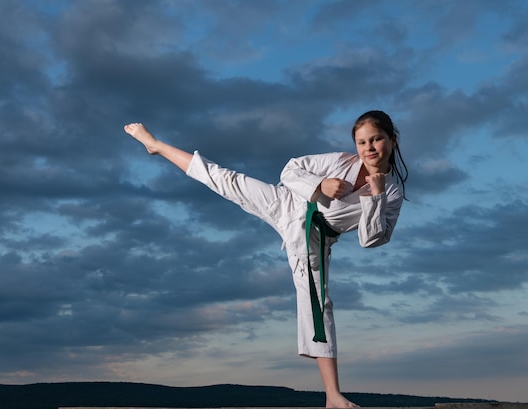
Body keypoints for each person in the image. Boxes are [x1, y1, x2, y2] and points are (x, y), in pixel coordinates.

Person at [123, 110, 408, 408]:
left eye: (376, 139)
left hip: (312, 241)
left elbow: (372, 239)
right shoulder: (339, 161)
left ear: (392, 140)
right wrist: (320, 186)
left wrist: (375, 197)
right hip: (287, 204)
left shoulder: (392, 193)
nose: (369, 148)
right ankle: (157, 145)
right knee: (225, 179)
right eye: (362, 142)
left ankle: (332, 396)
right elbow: (290, 170)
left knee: (320, 305)